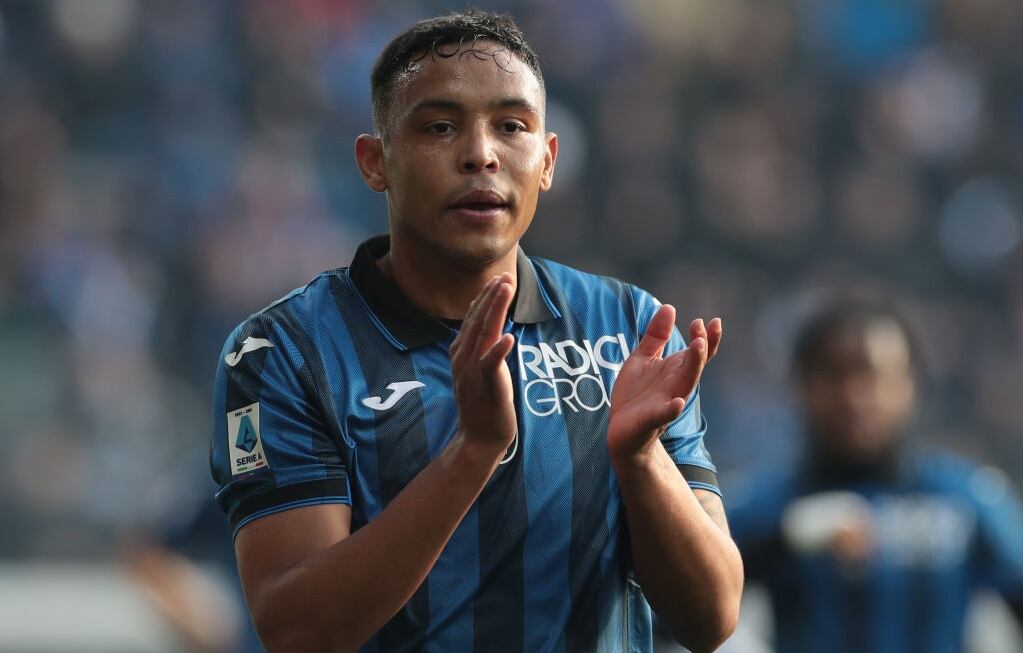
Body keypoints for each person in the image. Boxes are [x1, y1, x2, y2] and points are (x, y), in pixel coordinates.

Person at [208, 10, 742, 653]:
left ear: (546, 161)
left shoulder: (629, 330)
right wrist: (473, 451)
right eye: (439, 127)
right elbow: (298, 632)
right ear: (374, 162)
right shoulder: (284, 353)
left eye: (511, 127)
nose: (480, 154)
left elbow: (711, 620)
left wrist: (640, 458)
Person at [729, 300, 1023, 653]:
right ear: (802, 386)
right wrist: (782, 538)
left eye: (873, 375)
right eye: (833, 376)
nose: (855, 397)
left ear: (909, 384)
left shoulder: (966, 498)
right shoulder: (771, 505)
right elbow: (673, 616)